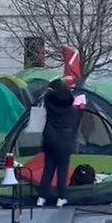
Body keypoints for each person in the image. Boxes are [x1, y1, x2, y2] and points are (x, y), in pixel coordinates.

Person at [37, 79, 78, 207]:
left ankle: (42, 197)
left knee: (48, 168)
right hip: (65, 139)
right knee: (63, 170)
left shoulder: (49, 103)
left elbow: (47, 96)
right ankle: (61, 197)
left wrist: (49, 91)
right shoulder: (70, 107)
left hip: (50, 138)